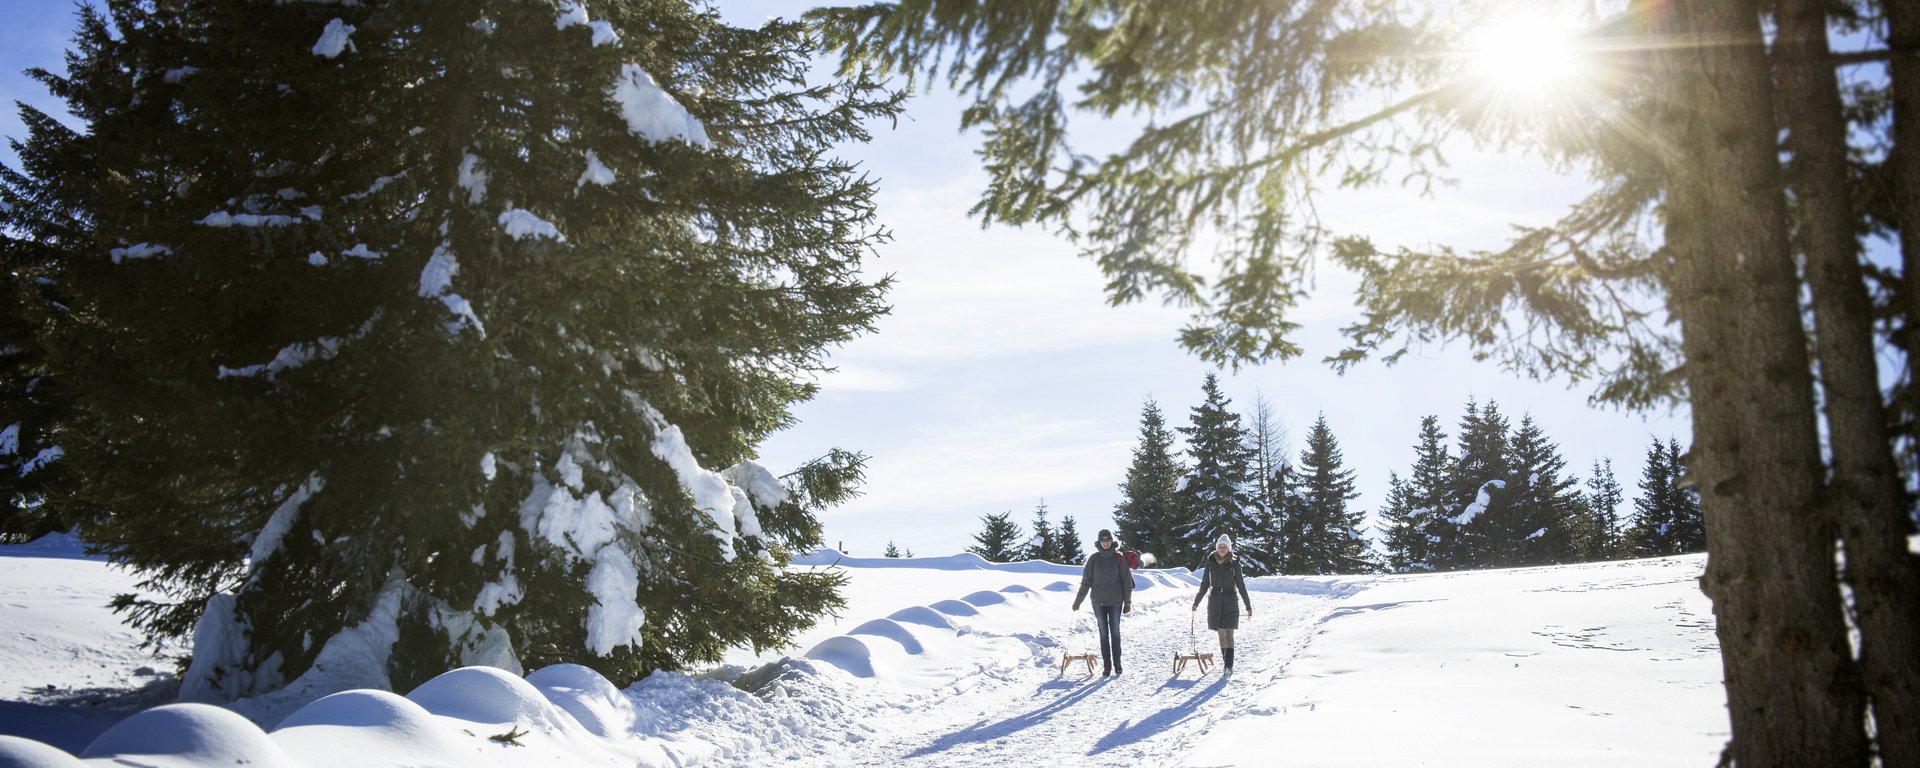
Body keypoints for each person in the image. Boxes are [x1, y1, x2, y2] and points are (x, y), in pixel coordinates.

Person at [1071, 528, 1134, 676]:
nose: (1105, 543)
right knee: (1103, 634)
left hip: (1116, 601)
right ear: (1099, 542)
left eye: (1108, 540)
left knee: (1115, 632)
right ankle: (1107, 666)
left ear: (1112, 541)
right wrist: (1078, 601)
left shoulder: (1119, 559)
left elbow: (1126, 582)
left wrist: (1127, 602)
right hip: (1098, 602)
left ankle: (1117, 663)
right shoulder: (1094, 559)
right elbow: (1086, 582)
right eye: (1103, 540)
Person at [1192, 534, 1253, 673]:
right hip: (1214, 601)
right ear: (1217, 547)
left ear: (1228, 548)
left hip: (1230, 599)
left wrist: (1248, 606)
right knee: (1221, 634)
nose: (1222, 548)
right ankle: (1226, 663)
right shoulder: (1210, 561)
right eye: (1220, 546)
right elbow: (1205, 584)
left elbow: (1241, 585)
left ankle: (1228, 666)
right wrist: (1196, 602)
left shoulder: (1234, 563)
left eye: (1225, 546)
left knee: (1229, 633)